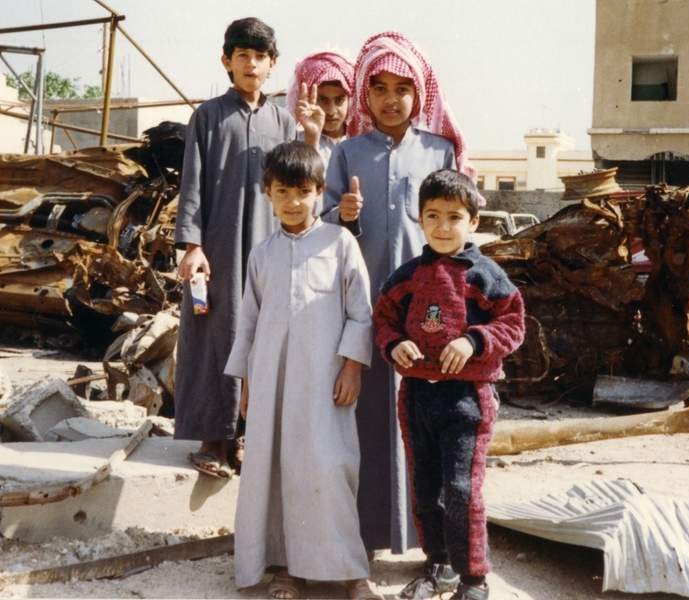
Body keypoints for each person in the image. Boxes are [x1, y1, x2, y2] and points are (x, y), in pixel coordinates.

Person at [322, 31, 476, 553]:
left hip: (429, 318)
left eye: (402, 88)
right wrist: (341, 216)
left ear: (421, 93)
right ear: (364, 94)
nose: (391, 99)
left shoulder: (441, 149)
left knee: (426, 429)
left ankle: (429, 547)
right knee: (363, 422)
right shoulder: (347, 153)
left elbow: (459, 228)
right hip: (365, 311)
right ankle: (361, 538)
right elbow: (321, 222)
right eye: (379, 87)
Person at [224, 141, 381, 600]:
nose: (293, 202)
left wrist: (353, 367)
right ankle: (287, 569)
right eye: (281, 191)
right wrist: (248, 383)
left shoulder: (340, 243)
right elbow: (249, 323)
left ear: (319, 193)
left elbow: (361, 313)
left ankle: (351, 572)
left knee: (331, 468)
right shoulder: (262, 254)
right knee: (276, 472)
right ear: (267, 194)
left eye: (303, 191)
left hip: (325, 384)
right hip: (272, 386)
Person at [173, 17, 322, 477]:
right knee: (213, 335)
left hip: (267, 248)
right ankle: (210, 439)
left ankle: (243, 438)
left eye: (260, 56)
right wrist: (192, 245)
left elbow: (301, 183)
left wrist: (311, 139)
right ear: (227, 62)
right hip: (216, 247)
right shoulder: (208, 116)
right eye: (243, 56)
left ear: (271, 64)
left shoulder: (282, 121)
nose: (251, 63)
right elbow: (192, 183)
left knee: (260, 337)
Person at [373, 169, 525, 600]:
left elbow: (513, 325)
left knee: (462, 489)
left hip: (467, 399)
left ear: (473, 221)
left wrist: (473, 339)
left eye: (454, 217)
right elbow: (382, 320)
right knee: (425, 487)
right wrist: (395, 345)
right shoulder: (404, 277)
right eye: (433, 215)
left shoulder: (487, 276)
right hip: (418, 395)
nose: (443, 226)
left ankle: (473, 579)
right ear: (419, 219)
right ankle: (437, 565)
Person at [286, 51, 354, 167]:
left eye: (339, 100)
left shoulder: (360, 138)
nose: (331, 111)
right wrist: (311, 140)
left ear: (351, 100)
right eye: (322, 100)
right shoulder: (292, 141)